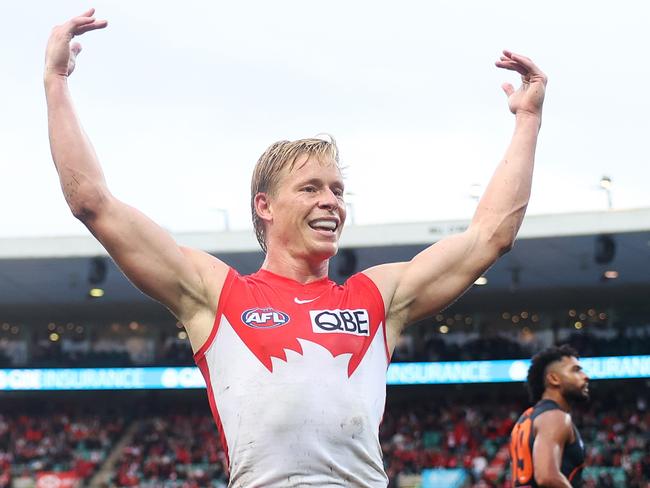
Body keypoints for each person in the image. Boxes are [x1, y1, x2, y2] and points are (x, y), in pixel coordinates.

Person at [45, 9, 547, 487]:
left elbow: (489, 236)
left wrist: (527, 120)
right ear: (264, 205)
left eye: (337, 190)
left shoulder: (376, 296)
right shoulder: (218, 294)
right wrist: (56, 82)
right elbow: (93, 202)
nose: (331, 202)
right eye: (310, 188)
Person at [510, 345, 589, 487]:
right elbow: (547, 477)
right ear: (554, 378)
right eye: (576, 370)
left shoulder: (527, 418)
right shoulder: (555, 417)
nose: (585, 376)